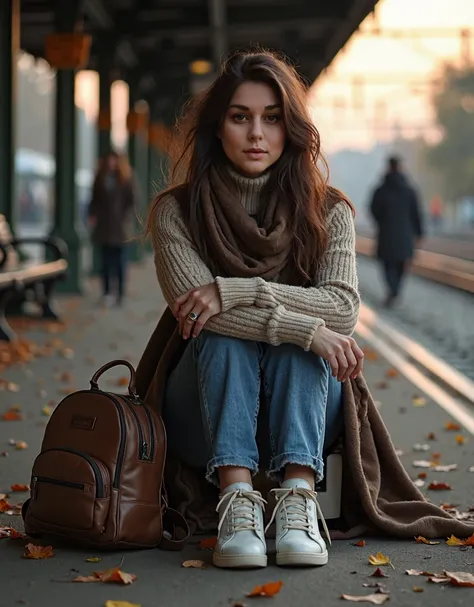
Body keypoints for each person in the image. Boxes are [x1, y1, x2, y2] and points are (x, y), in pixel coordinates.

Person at [145, 51, 363, 569]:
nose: (256, 133)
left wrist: (237, 292)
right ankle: (236, 501)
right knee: (230, 335)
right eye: (240, 117)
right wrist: (306, 329)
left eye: (272, 118)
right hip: (204, 410)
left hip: (304, 414)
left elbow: (342, 309)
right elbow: (198, 313)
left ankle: (298, 500)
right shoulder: (176, 212)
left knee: (296, 348)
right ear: (217, 127)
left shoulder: (329, 211)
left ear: (291, 129)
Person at [369, 156, 423, 307]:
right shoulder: (410, 191)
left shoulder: (380, 190)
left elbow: (373, 210)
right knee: (401, 265)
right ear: (400, 167)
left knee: (387, 265)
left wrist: (382, 221)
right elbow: (416, 213)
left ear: (388, 167)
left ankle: (392, 290)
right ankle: (395, 291)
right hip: (405, 235)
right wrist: (419, 233)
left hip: (386, 235)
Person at [88, 151, 138, 306]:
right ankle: (107, 292)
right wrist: (93, 215)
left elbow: (133, 201)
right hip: (104, 227)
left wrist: (126, 218)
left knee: (120, 263)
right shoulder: (100, 178)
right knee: (105, 262)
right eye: (109, 159)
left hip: (121, 229)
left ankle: (120, 294)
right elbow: (94, 200)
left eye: (114, 160)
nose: (111, 163)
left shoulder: (126, 179)